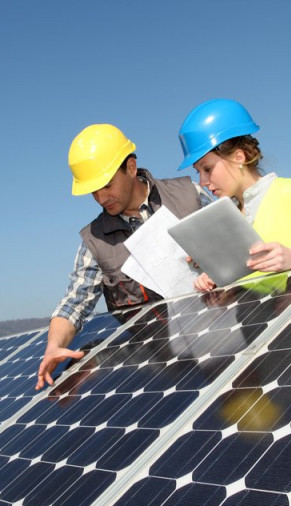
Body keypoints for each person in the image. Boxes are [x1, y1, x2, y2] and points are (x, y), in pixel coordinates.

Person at [35, 123, 210, 390]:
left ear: (130, 167)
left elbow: (238, 255)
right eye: (93, 191)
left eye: (106, 185)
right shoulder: (95, 240)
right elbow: (75, 302)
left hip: (223, 343)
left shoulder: (189, 197)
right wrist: (54, 346)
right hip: (164, 373)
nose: (101, 198)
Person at [176, 99, 291, 292]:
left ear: (238, 157)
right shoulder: (223, 218)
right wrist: (217, 282)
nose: (202, 181)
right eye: (198, 171)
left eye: (207, 168)